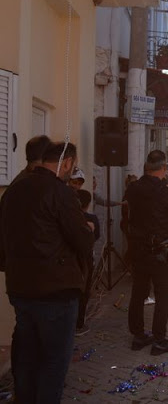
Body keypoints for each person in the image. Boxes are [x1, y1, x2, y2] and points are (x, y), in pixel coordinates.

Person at [0, 141, 94, 402]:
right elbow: (81, 241)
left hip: (20, 286)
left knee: (26, 357)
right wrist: (88, 231)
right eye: (72, 166)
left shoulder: (15, 189)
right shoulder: (60, 192)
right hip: (55, 289)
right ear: (66, 163)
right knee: (53, 362)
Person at [125, 150, 168, 355]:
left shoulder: (133, 189)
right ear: (163, 169)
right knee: (161, 295)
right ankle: (159, 339)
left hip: (138, 249)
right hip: (160, 250)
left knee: (138, 293)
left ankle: (138, 335)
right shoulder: (166, 192)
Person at [75, 189, 101, 337]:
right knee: (84, 290)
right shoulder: (91, 218)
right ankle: (79, 323)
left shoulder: (71, 217)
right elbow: (96, 236)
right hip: (85, 259)